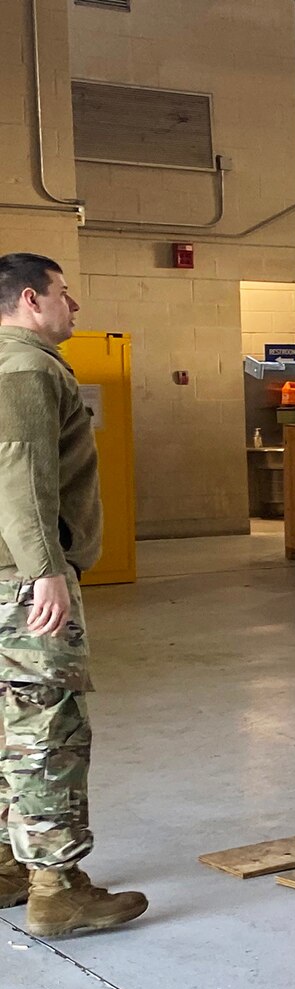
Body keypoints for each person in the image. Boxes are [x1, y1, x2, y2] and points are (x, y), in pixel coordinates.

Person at [0, 253, 147, 937]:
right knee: (47, 729)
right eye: (65, 294)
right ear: (31, 299)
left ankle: (9, 863)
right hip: (22, 582)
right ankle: (56, 890)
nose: (75, 306)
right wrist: (45, 570)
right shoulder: (26, 369)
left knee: (11, 724)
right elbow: (20, 476)